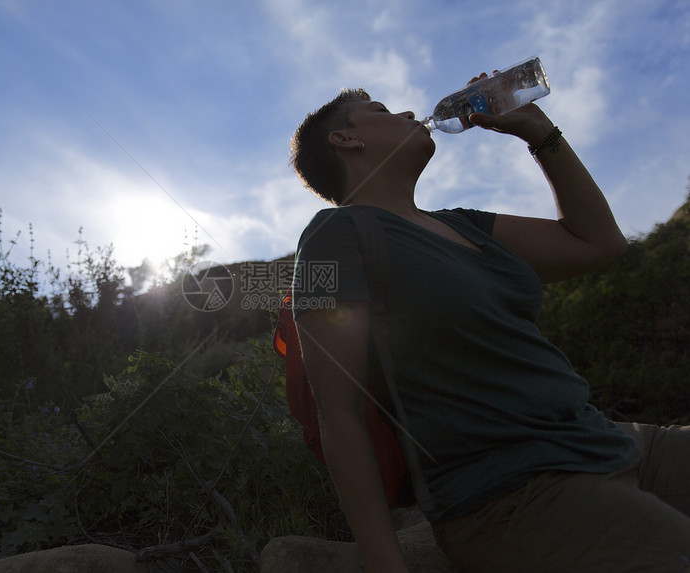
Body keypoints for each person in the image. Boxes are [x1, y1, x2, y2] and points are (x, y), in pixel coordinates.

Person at [288, 80, 690, 573]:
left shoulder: (464, 224)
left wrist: (537, 131)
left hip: (611, 441)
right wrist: (385, 564)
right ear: (346, 140)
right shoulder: (331, 237)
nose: (410, 110)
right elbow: (339, 413)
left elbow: (600, 243)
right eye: (380, 110)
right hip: (516, 491)